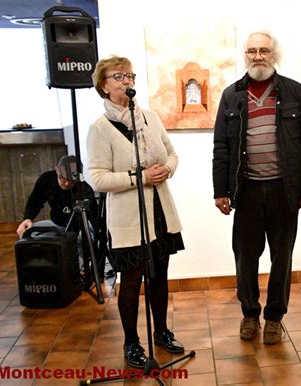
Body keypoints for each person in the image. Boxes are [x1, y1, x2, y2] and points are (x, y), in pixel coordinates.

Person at [212, 31, 301, 345]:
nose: (258, 56)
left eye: (264, 51)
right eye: (252, 51)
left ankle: (274, 318)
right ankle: (249, 313)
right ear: (244, 55)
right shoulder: (231, 95)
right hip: (245, 191)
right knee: (245, 258)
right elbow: (221, 146)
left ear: (274, 54)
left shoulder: (295, 92)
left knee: (281, 259)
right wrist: (221, 190)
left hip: (284, 191)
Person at [86, 56, 185, 369]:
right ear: (104, 85)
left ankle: (161, 331)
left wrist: (166, 170)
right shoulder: (100, 129)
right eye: (118, 77)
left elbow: (171, 153)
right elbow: (98, 177)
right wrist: (140, 178)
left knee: (159, 275)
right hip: (128, 218)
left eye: (130, 75)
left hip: (159, 211)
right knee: (131, 280)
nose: (126, 81)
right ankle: (131, 341)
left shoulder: (149, 118)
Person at [16, 155, 96, 238]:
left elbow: (91, 216)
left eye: (72, 181)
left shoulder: (84, 190)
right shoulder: (47, 180)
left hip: (79, 227)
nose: (67, 184)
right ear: (57, 170)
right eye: (63, 179)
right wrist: (27, 219)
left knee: (84, 239)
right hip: (56, 223)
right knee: (28, 233)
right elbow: (35, 200)